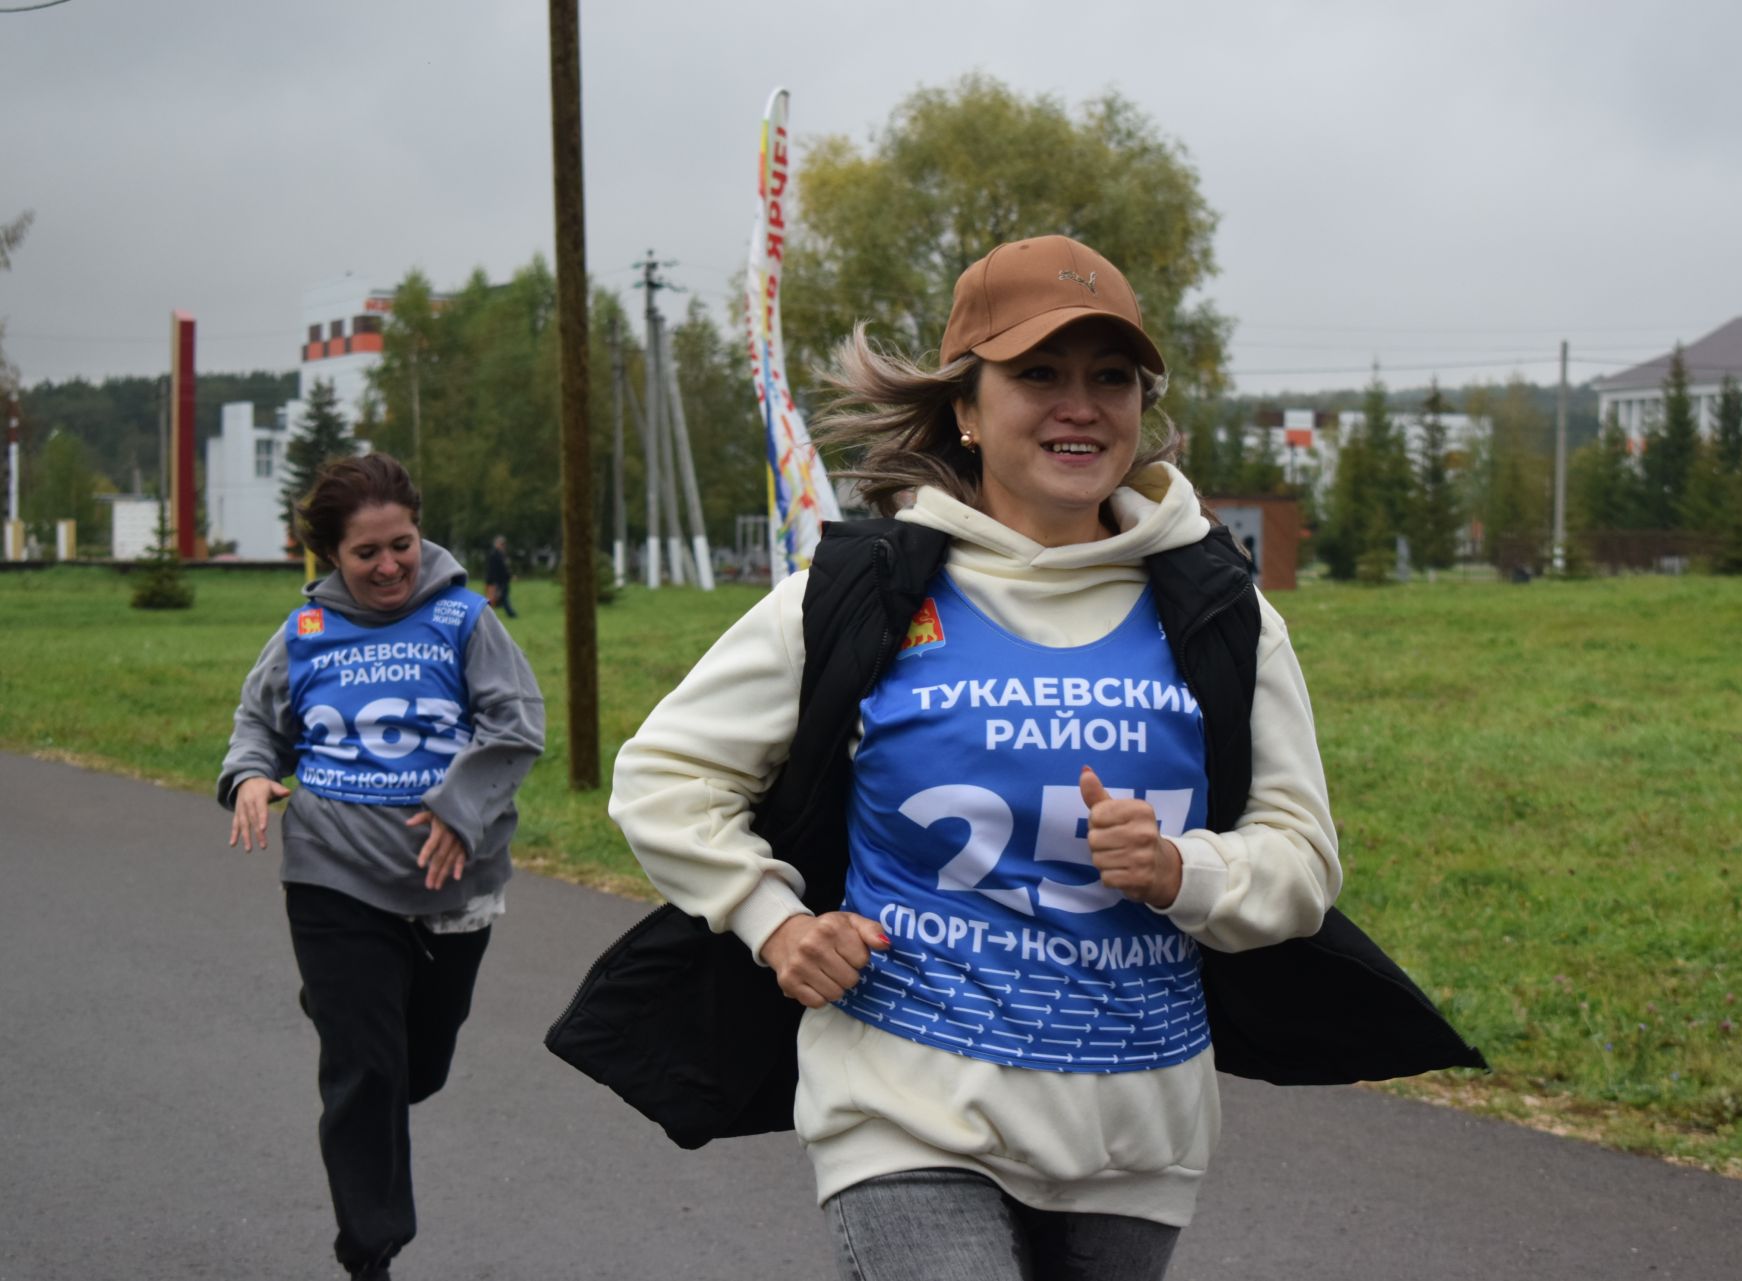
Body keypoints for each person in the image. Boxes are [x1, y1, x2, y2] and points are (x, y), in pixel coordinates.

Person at [605, 235, 1348, 1279]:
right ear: (964, 407)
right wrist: (774, 923)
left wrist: (1189, 870)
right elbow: (665, 778)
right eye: (1037, 374)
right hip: (905, 1110)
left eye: (1111, 378)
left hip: (1134, 1126)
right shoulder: (860, 596)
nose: (1078, 405)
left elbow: (1305, 861)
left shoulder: (1220, 613)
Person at [218, 453, 545, 1281]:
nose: (390, 564)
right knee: (364, 1069)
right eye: (367, 554)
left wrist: (457, 807)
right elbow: (259, 722)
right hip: (332, 870)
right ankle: (371, 1252)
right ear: (333, 555)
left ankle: (348, 1006)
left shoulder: (466, 620)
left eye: (401, 543)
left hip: (451, 883)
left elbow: (516, 725)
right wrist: (252, 774)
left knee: (416, 1068)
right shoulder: (306, 634)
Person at [484, 534, 517, 617]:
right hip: (495, 581)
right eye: (501, 544)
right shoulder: (494, 555)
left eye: (504, 544)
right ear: (496, 544)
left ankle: (509, 613)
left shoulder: (502, 555)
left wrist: (509, 576)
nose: (503, 546)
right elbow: (494, 570)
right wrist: (494, 582)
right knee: (494, 598)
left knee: (503, 597)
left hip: (503, 580)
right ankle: (510, 614)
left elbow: (505, 569)